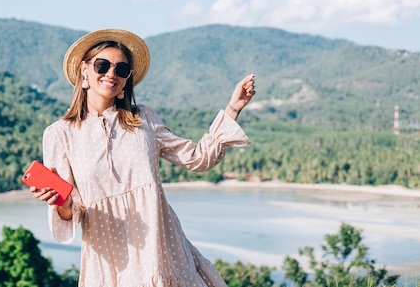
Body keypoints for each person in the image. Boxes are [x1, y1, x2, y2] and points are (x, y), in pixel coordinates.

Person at [29, 28, 256, 287]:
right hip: (110, 262)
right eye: (102, 65)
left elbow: (199, 158)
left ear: (127, 80)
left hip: (162, 255)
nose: (111, 74)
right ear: (84, 71)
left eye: (121, 69)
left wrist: (234, 107)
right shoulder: (59, 134)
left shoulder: (144, 119)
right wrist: (63, 202)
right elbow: (72, 211)